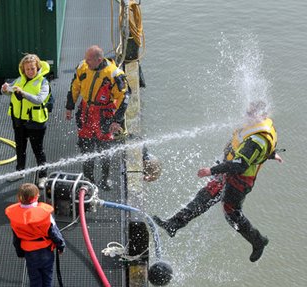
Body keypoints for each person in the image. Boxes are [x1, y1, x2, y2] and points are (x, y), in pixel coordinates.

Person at [153, 101, 283, 262]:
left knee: (231, 214)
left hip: (239, 181)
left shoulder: (257, 140)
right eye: (247, 112)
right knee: (205, 195)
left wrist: (211, 171)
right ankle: (173, 224)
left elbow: (240, 164)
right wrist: (272, 154)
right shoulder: (257, 128)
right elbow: (258, 150)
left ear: (262, 116)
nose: (246, 116)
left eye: (250, 114)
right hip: (229, 173)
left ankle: (258, 241)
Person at [65, 45, 130, 190]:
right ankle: (89, 179)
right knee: (86, 148)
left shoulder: (114, 74)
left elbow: (124, 97)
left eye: (89, 59)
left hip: (104, 115)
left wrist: (116, 120)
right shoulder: (82, 67)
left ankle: (105, 178)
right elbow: (74, 86)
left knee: (104, 150)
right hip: (86, 112)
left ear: (99, 59)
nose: (85, 62)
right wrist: (69, 106)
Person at [5, 183, 65, 287]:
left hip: (30, 253)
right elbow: (54, 233)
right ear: (36, 196)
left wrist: (20, 252)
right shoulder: (45, 214)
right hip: (46, 251)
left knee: (35, 281)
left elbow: (16, 238)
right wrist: (61, 246)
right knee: (47, 279)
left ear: (19, 198)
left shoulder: (15, 216)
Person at [1, 53, 52, 189]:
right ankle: (20, 171)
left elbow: (39, 99)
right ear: (23, 69)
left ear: (38, 68)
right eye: (27, 69)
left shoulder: (43, 82)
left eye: (32, 69)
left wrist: (23, 93)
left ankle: (42, 176)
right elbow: (10, 91)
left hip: (35, 122)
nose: (30, 71)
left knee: (38, 150)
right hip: (18, 121)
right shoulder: (19, 79)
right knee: (20, 148)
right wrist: (5, 89)